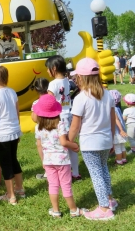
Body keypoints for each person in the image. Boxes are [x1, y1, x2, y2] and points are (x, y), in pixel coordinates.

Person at [69, 58, 117, 220]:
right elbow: (112, 120)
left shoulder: (81, 98)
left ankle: (104, 209)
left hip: (90, 143)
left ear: (81, 78)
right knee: (103, 170)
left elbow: (75, 126)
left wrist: (68, 141)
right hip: (105, 140)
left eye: (76, 77)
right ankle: (110, 200)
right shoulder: (107, 95)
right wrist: (111, 139)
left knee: (96, 174)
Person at [34, 94, 87, 218]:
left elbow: (39, 145)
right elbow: (64, 142)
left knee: (53, 185)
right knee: (66, 185)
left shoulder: (38, 128)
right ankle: (73, 210)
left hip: (48, 161)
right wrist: (73, 145)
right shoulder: (60, 124)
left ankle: (56, 210)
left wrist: (43, 160)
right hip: (62, 161)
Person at [0, 64, 24, 205]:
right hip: (14, 132)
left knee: (6, 164)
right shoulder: (12, 92)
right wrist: (18, 130)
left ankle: (11, 195)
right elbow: (17, 113)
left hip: (2, 135)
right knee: (14, 160)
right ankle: (19, 188)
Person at [45, 55, 81, 181]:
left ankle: (63, 173)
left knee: (61, 145)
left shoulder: (53, 84)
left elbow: (49, 102)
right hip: (69, 115)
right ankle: (75, 172)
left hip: (58, 118)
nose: (47, 71)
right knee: (71, 144)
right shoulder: (67, 81)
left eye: (48, 69)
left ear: (53, 68)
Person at [30, 77, 49, 180]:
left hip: (41, 130)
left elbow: (34, 118)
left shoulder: (36, 103)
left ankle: (46, 170)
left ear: (36, 89)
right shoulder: (54, 100)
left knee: (40, 146)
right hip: (54, 128)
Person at [109, 90, 127, 165]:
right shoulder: (118, 108)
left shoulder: (113, 109)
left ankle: (119, 161)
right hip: (122, 131)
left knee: (117, 147)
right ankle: (124, 158)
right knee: (122, 146)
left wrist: (120, 130)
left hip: (117, 131)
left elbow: (116, 120)